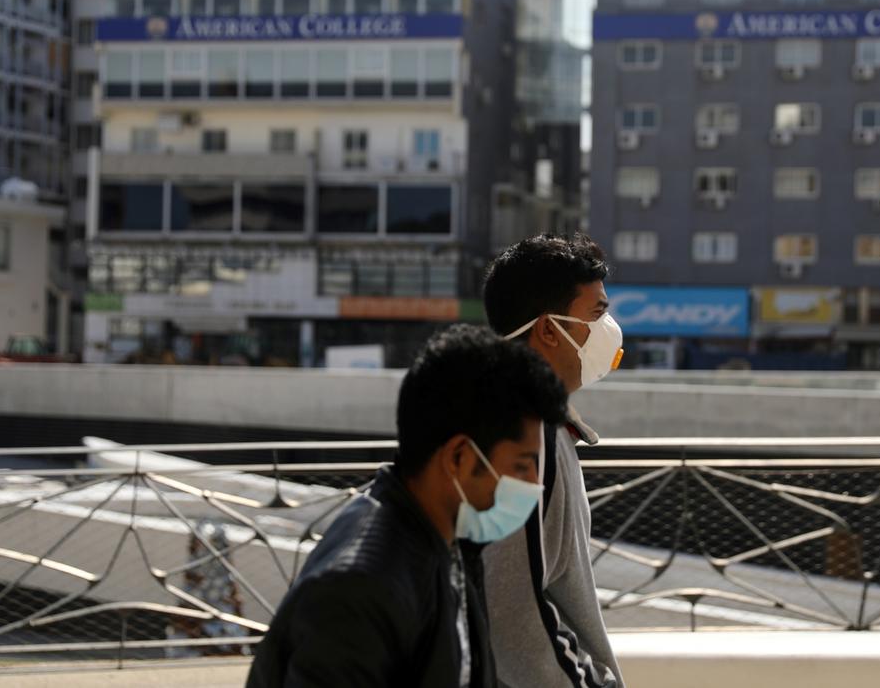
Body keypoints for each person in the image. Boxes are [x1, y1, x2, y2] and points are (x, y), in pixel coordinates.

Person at [246, 325, 569, 688]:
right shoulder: (359, 589)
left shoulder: (449, 539)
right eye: (522, 466)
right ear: (460, 457)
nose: (532, 486)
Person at [481, 234, 625, 688]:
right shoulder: (524, 434)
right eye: (597, 314)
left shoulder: (522, 418)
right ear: (548, 329)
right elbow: (510, 611)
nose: (610, 329)